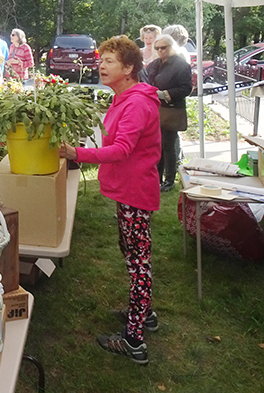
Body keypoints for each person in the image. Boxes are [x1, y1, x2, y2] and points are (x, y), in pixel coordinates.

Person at [60, 35, 160, 365]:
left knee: (137, 263)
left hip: (135, 191)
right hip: (126, 189)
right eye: (101, 60)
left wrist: (78, 153)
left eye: (110, 61)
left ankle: (134, 340)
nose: (101, 66)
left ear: (129, 68)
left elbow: (122, 150)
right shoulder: (123, 98)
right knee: (133, 253)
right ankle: (143, 314)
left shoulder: (136, 103)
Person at [145, 34, 192, 192]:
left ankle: (169, 179)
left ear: (172, 47)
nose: (160, 51)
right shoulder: (155, 64)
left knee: (168, 145)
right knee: (156, 144)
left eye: (163, 47)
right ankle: (156, 177)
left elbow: (186, 88)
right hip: (155, 109)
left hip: (171, 110)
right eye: (157, 48)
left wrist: (165, 94)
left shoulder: (180, 65)